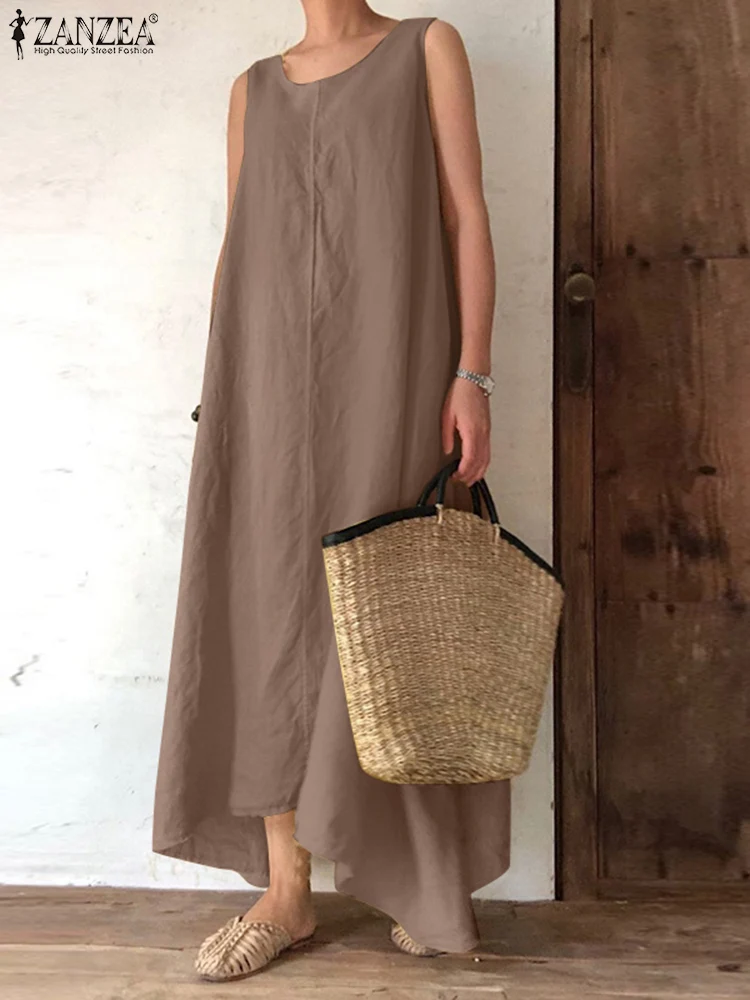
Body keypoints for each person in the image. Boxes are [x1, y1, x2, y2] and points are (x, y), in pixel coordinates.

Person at [152, 1, 510, 983]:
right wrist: (223, 386)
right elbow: (240, 247)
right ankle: (287, 890)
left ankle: (424, 882)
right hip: (262, 385)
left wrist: (473, 375)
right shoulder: (252, 90)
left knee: (392, 615)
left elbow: (465, 212)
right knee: (271, 613)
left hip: (394, 370)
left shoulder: (426, 47)